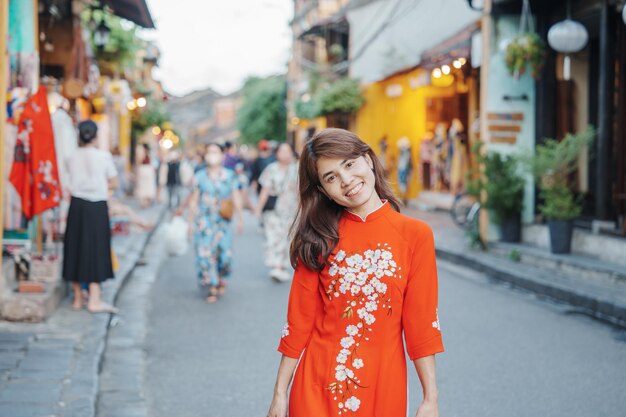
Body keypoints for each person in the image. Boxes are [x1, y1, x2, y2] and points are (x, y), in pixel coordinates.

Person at [267, 128, 444, 417]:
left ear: (367, 159)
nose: (346, 181)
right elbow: (298, 321)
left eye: (349, 164)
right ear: (324, 191)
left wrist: (430, 398)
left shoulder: (415, 235)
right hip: (316, 389)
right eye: (331, 177)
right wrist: (279, 393)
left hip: (383, 390)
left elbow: (421, 323)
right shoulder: (319, 239)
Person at [176, 143, 244, 303]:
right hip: (204, 222)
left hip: (223, 221)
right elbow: (193, 200)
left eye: (215, 152)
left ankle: (221, 278)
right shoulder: (199, 176)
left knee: (224, 255)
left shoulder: (230, 175)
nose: (212, 155)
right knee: (204, 254)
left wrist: (240, 218)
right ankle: (211, 285)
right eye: (209, 152)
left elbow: (236, 196)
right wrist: (190, 222)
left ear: (222, 155)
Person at [63, 120, 119, 314]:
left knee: (75, 247)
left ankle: (78, 298)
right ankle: (94, 299)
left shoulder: (71, 157)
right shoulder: (103, 157)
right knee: (97, 249)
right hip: (97, 206)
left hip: (77, 205)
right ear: (95, 136)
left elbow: (68, 180)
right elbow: (114, 182)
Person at [254, 142, 298, 282]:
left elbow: (301, 192)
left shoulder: (297, 169)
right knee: (273, 237)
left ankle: (283, 266)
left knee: (288, 239)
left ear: (292, 153)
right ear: (277, 153)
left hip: (292, 209)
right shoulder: (271, 169)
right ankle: (277, 266)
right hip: (273, 210)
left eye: (287, 151)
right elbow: (265, 190)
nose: (284, 154)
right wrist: (258, 209)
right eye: (282, 151)